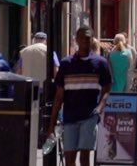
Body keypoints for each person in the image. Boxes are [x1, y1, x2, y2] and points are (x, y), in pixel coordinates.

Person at [48, 27, 112, 166]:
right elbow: (59, 95)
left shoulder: (100, 63)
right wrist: (52, 123)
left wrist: (100, 107)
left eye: (88, 38)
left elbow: (107, 87)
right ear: (76, 39)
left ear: (92, 40)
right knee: (69, 158)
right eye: (81, 37)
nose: (84, 40)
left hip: (89, 116)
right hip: (69, 116)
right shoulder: (66, 63)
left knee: (84, 157)